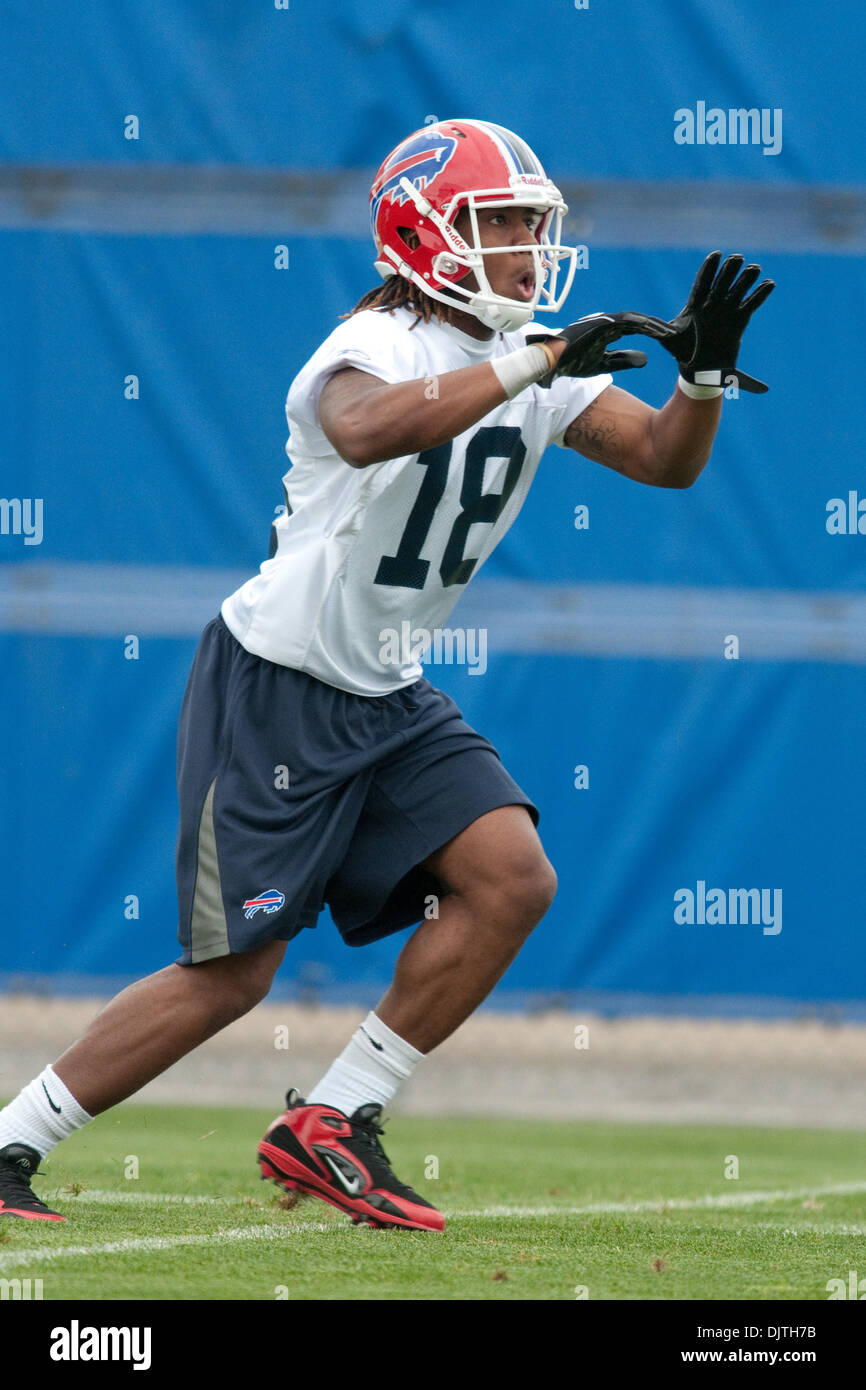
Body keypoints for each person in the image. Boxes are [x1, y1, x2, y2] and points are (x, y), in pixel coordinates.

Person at [0, 118, 773, 1232]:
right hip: (276, 685)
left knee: (511, 878)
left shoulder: (531, 354)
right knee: (233, 973)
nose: (522, 246)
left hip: (387, 689)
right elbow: (363, 430)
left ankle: (333, 1119)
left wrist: (698, 377)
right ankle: (14, 1137)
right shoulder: (377, 349)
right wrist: (532, 360)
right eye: (498, 222)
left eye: (529, 223)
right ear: (424, 232)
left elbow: (662, 459)